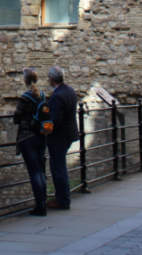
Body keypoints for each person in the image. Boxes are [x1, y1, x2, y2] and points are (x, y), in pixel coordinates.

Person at [14, 67, 47, 216]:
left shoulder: (25, 97)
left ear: (25, 81)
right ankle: (43, 202)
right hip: (41, 136)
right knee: (40, 170)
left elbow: (17, 117)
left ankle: (40, 206)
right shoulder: (42, 96)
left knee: (34, 172)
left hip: (27, 137)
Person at [46, 65, 79, 210]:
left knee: (58, 167)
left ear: (52, 79)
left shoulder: (57, 96)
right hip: (69, 133)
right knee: (60, 166)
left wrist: (44, 131)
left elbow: (55, 120)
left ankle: (62, 200)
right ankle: (62, 198)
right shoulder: (69, 91)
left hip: (59, 136)